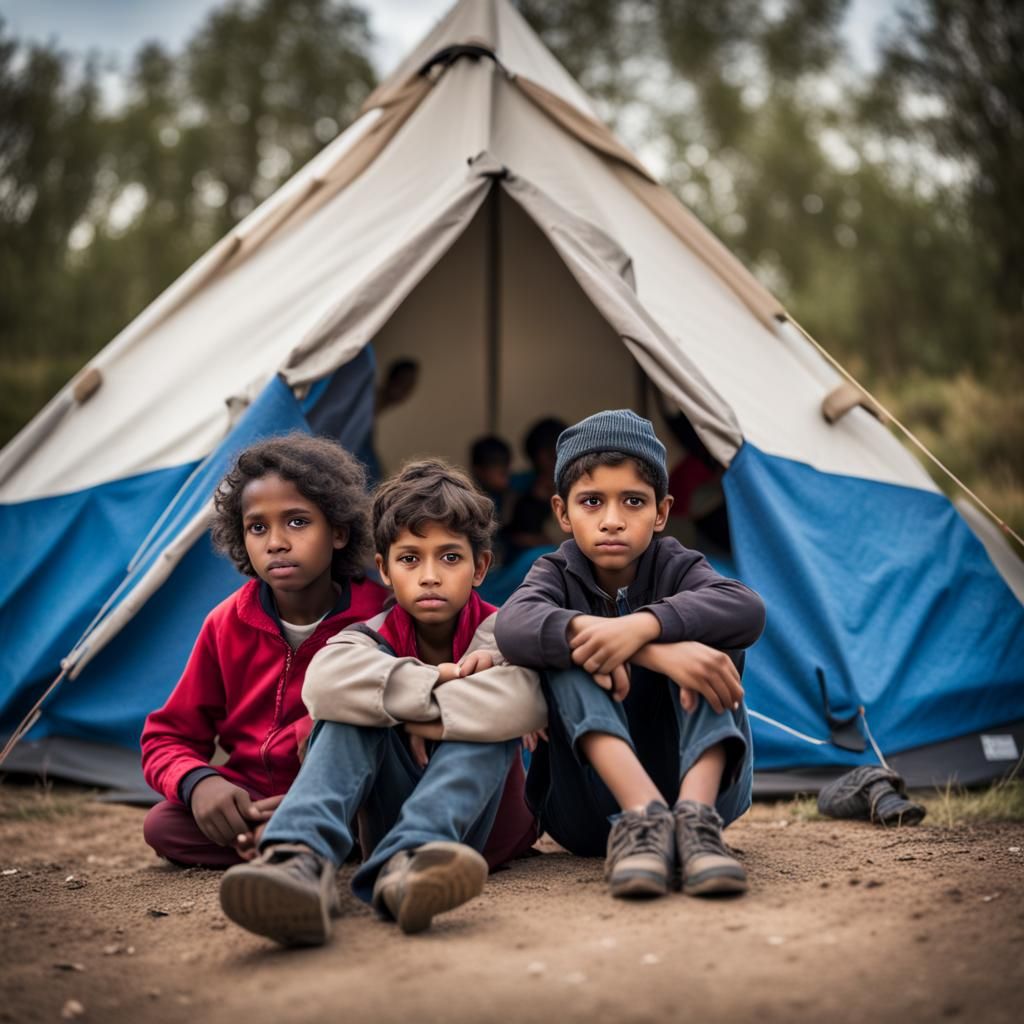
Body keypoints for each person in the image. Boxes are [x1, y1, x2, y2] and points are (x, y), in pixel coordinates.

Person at [219, 459, 546, 946]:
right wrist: (435, 684)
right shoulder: (367, 637)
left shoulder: (505, 633)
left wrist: (417, 714)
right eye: (410, 559)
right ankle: (298, 860)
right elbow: (323, 687)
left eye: (450, 558)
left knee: (484, 718)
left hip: (483, 831)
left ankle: (416, 856)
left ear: (480, 567)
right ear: (385, 571)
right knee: (345, 711)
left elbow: (527, 702)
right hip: (388, 818)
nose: (430, 576)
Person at [494, 409, 766, 901]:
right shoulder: (554, 572)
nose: (612, 521)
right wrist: (654, 653)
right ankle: (642, 814)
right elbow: (513, 627)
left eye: (633, 502)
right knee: (573, 655)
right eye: (592, 502)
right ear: (562, 512)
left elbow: (745, 609)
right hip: (588, 813)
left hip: (703, 792)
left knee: (709, 646)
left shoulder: (676, 565)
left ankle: (696, 820)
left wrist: (642, 627)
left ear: (661, 513)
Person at [140, 434, 386, 868]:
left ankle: (308, 834)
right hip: (254, 798)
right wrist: (200, 783)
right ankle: (285, 837)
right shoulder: (226, 623)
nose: (275, 542)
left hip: (351, 793)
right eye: (258, 527)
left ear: (339, 532)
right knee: (163, 826)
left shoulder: (380, 616)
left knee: (385, 806)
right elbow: (168, 737)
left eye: (297, 522)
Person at [504, 416, 566, 561]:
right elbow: (508, 533)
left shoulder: (575, 486)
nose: (554, 459)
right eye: (548, 453)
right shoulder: (517, 486)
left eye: (557, 453)